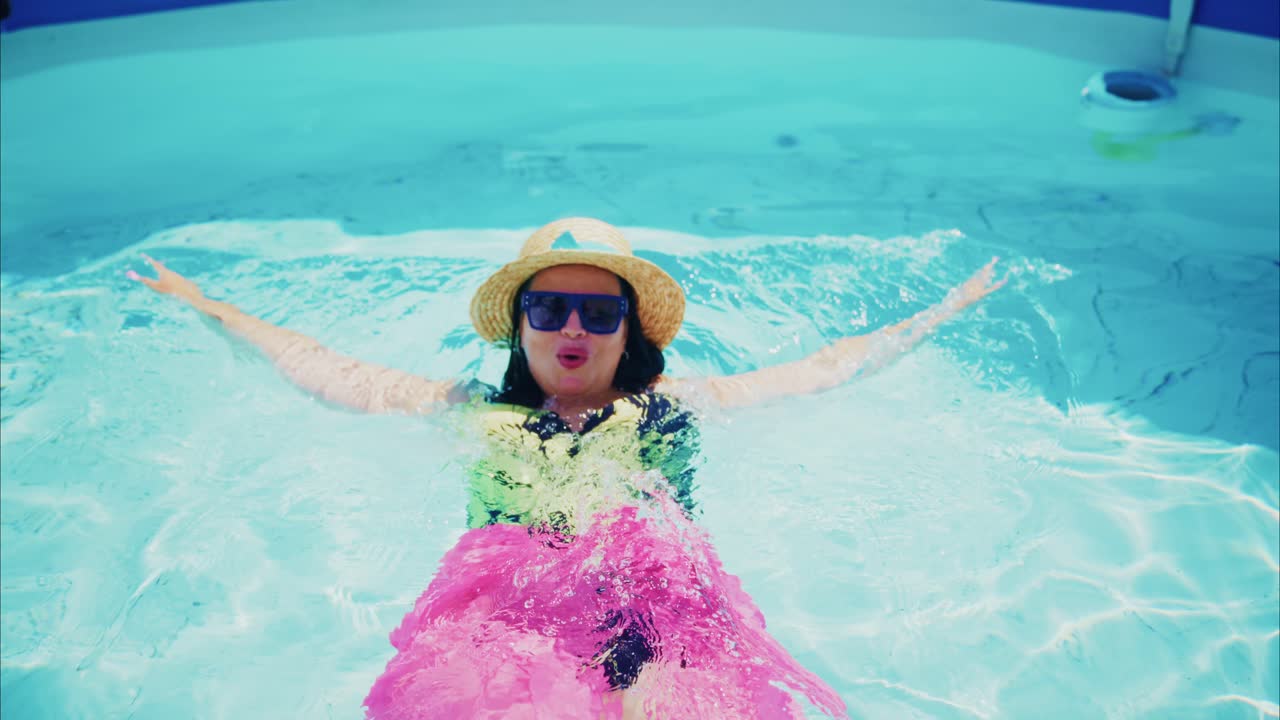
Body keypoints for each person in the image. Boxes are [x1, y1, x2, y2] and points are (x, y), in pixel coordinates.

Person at [130, 217, 1004, 719]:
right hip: (509, 617)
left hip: (666, 612)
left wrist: (938, 315)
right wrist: (206, 306)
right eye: (550, 307)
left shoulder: (681, 406)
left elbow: (823, 370)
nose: (573, 330)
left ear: (631, 330)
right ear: (519, 325)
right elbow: (318, 367)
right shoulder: (468, 408)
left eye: (597, 309)